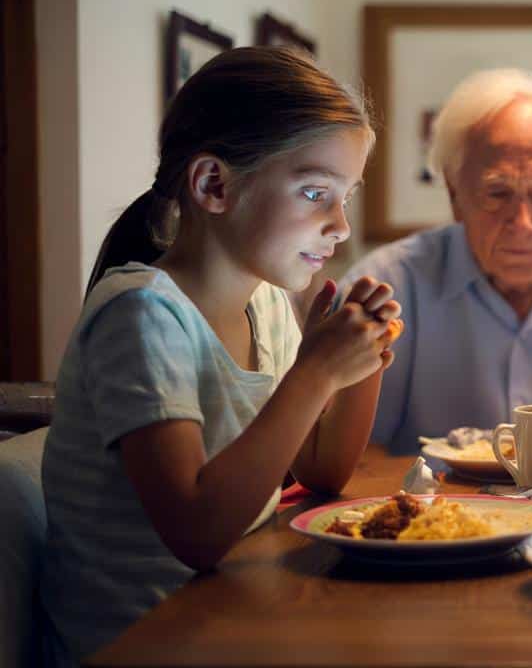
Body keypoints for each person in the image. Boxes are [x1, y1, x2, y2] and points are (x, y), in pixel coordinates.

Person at [41, 47, 402, 665]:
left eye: (345, 196)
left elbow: (320, 469)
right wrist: (316, 373)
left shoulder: (263, 304)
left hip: (231, 612)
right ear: (214, 185)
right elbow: (198, 534)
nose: (340, 224)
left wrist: (361, 353)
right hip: (145, 642)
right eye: (315, 191)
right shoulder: (141, 315)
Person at [342, 69, 532, 452]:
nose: (521, 223)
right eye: (497, 192)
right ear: (455, 196)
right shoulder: (387, 287)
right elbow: (355, 457)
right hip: (435, 508)